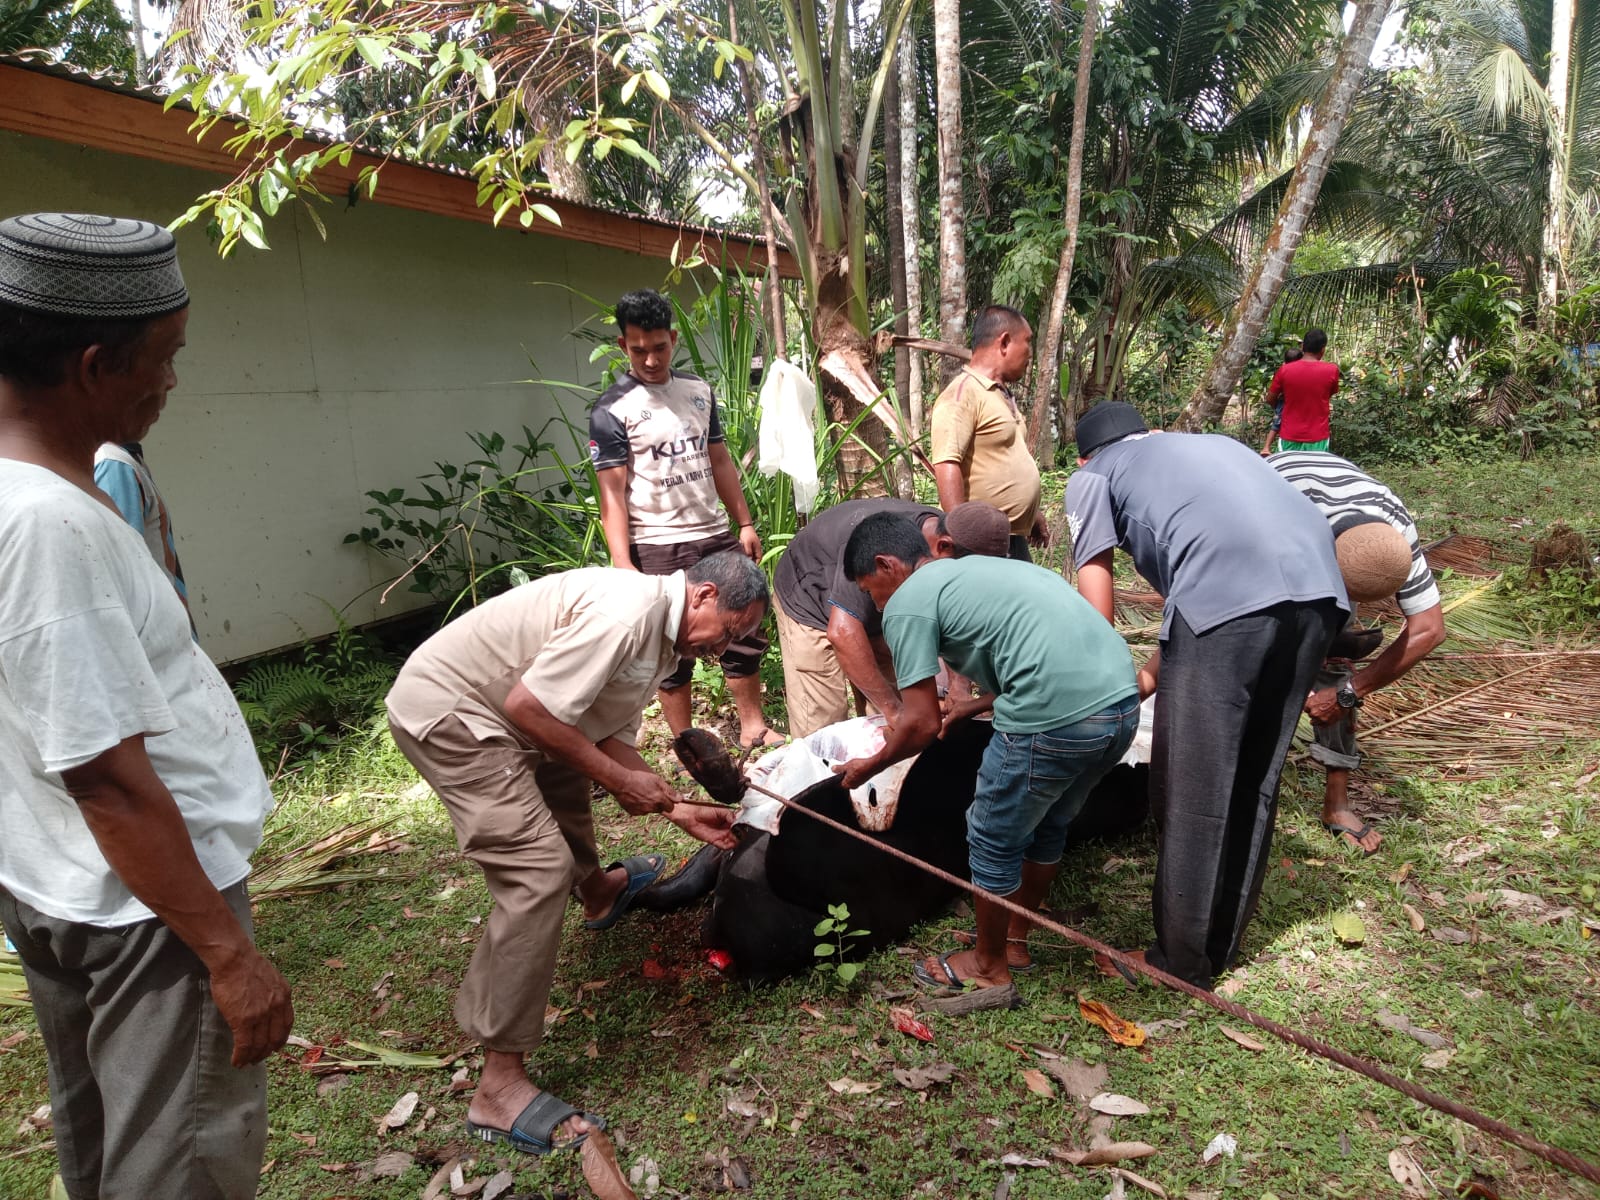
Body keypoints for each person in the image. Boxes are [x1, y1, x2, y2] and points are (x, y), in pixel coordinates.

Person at [0, 212, 291, 1199]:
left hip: (57, 883)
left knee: (107, 1142)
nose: (171, 380)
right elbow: (108, 780)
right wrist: (226, 953)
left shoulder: (31, 491)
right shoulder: (51, 530)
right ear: (92, 365)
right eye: (162, 359)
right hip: (147, 915)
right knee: (180, 1161)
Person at [385, 551, 764, 1156]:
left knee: (567, 773)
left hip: (503, 706)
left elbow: (600, 734)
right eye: (731, 631)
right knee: (535, 873)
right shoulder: (627, 615)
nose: (726, 650)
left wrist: (681, 810)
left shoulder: (663, 636)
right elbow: (529, 710)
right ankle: (499, 1088)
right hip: (454, 715)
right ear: (704, 596)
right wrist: (618, 782)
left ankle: (600, 891)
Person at [1064, 402, 1348, 990]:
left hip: (1229, 595)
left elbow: (1095, 588)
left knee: (1195, 785)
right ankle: (1221, 943)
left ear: (1085, 455)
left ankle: (1179, 963)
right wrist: (1150, 671)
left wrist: (1095, 681)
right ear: (1148, 431)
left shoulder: (1091, 475)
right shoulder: (1216, 445)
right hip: (1321, 591)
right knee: (1256, 774)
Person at [833, 514, 1139, 992]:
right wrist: (971, 705)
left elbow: (918, 723)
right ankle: (1014, 938)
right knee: (1049, 822)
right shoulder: (995, 570)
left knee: (992, 834)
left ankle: (988, 964)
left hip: (1055, 719)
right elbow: (1038, 652)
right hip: (1120, 707)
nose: (876, 604)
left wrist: (869, 766)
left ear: (886, 564)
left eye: (871, 591)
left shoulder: (908, 602)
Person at [590, 288, 780, 750]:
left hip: (713, 533)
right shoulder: (610, 410)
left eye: (659, 347)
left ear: (673, 339)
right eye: (638, 350)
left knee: (743, 626)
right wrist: (622, 563)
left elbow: (719, 461)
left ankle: (753, 726)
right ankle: (687, 743)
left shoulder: (698, 391)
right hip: (656, 542)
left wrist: (746, 523)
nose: (651, 359)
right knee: (672, 643)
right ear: (623, 346)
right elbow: (611, 493)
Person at [1268, 450, 1448, 855]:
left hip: (1343, 526)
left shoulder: (1395, 530)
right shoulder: (1281, 514)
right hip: (1276, 515)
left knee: (1337, 662)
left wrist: (1350, 690)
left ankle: (1336, 805)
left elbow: (1429, 629)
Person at [772, 499, 1012, 736]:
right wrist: (894, 711)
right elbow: (843, 632)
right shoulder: (873, 545)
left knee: (906, 713)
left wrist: (958, 687)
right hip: (810, 600)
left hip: (874, 604)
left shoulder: (959, 533)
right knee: (825, 725)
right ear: (944, 546)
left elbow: (948, 618)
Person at [930, 305, 1049, 560]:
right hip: (983, 544)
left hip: (1011, 538)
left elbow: (1005, 459)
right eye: (1027, 342)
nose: (1030, 354)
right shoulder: (963, 394)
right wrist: (962, 541)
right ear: (1004, 342)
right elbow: (947, 464)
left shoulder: (998, 394)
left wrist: (1031, 514)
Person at [1260, 328, 1339, 454]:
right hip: (1318, 437)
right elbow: (1328, 394)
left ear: (1303, 347)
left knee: (1287, 472)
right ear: (1323, 349)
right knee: (1316, 472)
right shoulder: (1332, 370)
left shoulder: (1285, 370)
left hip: (1289, 435)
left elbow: (1270, 399)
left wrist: (1283, 409)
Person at [1257, 345, 1303, 457]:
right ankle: (1266, 447)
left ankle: (1266, 447)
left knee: (1276, 425)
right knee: (1276, 425)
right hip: (1284, 402)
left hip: (1285, 402)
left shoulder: (1283, 370)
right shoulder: (1287, 372)